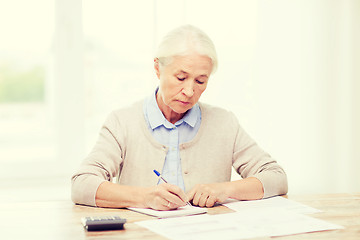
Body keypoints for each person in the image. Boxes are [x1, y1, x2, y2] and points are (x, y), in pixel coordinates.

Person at [71, 25, 288, 210]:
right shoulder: (122, 122)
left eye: (201, 81)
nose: (189, 91)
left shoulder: (224, 123)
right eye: (181, 77)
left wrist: (222, 189)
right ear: (157, 68)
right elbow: (82, 185)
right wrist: (145, 197)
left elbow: (276, 177)